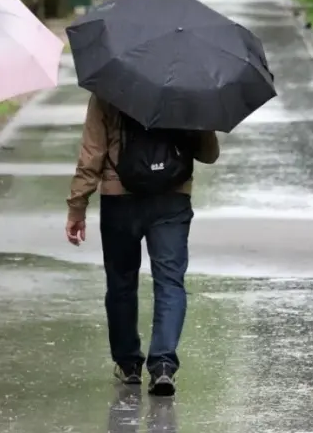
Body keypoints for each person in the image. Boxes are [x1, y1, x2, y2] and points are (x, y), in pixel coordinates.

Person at [65, 96, 219, 396]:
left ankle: (129, 364)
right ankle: (162, 364)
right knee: (170, 282)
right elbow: (209, 154)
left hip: (118, 196)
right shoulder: (188, 86)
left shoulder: (107, 88)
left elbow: (92, 153)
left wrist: (77, 206)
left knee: (121, 281)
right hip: (172, 196)